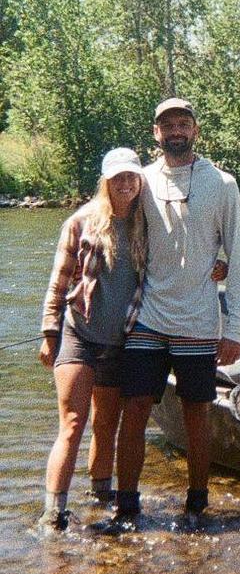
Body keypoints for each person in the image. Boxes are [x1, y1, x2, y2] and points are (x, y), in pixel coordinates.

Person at [113, 97, 240, 527]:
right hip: (149, 317)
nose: (175, 131)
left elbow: (239, 258)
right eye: (167, 125)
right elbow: (111, 220)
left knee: (197, 413)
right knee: (134, 407)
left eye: (183, 123)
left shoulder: (223, 184)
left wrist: (235, 329)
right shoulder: (142, 181)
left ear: (195, 130)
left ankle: (197, 503)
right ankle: (127, 504)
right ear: (155, 134)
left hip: (198, 321)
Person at [38, 148, 147, 531]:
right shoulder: (80, 222)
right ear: (105, 181)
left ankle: (101, 497)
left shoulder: (145, 223)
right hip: (79, 335)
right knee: (72, 422)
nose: (125, 183)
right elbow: (60, 281)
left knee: (106, 426)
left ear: (140, 180)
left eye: (132, 177)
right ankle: (53, 512)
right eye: (118, 177)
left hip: (122, 342)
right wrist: (49, 331)